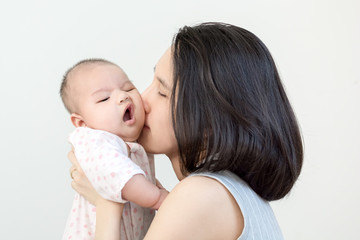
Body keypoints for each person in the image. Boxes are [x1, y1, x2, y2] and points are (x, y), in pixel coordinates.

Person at [69, 22, 303, 240]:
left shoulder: (200, 195)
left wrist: (107, 198)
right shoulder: (233, 192)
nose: (141, 99)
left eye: (162, 92)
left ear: (210, 122)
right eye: (149, 84)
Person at [60, 59, 168, 240]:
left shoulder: (129, 142)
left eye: (128, 89)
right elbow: (119, 175)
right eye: (104, 98)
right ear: (82, 123)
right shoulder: (94, 140)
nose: (122, 96)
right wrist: (158, 198)